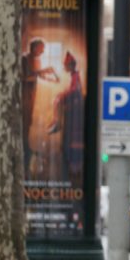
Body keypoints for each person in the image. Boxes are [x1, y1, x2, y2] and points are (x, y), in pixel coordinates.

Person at [21, 39, 59, 173]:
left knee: (28, 123)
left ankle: (26, 146)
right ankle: (24, 147)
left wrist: (49, 77)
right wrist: (43, 71)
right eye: (41, 49)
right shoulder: (25, 59)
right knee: (24, 122)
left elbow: (37, 76)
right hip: (24, 99)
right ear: (35, 48)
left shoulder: (36, 61)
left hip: (31, 98)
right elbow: (25, 77)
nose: (42, 52)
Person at [47, 52, 84, 188]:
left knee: (57, 101)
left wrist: (62, 95)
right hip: (73, 108)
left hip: (75, 110)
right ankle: (56, 121)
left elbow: (75, 90)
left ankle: (56, 121)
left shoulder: (76, 76)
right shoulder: (74, 76)